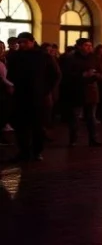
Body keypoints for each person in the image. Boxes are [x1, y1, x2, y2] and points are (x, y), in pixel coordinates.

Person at [5, 32, 60, 161]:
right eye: (20, 43)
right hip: (20, 96)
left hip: (38, 97)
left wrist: (45, 90)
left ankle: (36, 151)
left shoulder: (43, 56)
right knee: (21, 126)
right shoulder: (15, 57)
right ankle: (24, 151)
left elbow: (55, 75)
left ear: (32, 41)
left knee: (38, 126)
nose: (22, 45)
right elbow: (10, 74)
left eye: (24, 42)